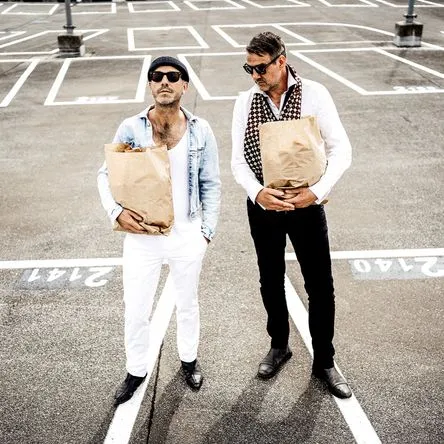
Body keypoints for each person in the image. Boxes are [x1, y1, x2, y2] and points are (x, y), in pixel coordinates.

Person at [231, 32, 352, 398]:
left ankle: (325, 361)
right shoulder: (244, 102)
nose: (254, 76)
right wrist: (259, 194)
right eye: (249, 69)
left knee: (320, 286)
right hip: (264, 206)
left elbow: (341, 149)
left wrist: (316, 192)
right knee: (270, 280)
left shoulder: (315, 94)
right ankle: (279, 345)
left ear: (281, 61)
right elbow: (238, 161)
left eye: (260, 68)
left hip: (306, 206)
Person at [98, 56, 221, 405]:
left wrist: (206, 232)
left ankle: (189, 360)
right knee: (136, 308)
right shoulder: (131, 128)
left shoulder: (200, 130)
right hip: (142, 237)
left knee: (187, 303)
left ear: (185, 85)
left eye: (172, 76)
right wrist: (116, 211)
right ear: (150, 84)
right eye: (157, 76)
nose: (164, 81)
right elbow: (105, 174)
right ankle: (136, 370)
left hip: (187, 235)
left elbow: (211, 183)